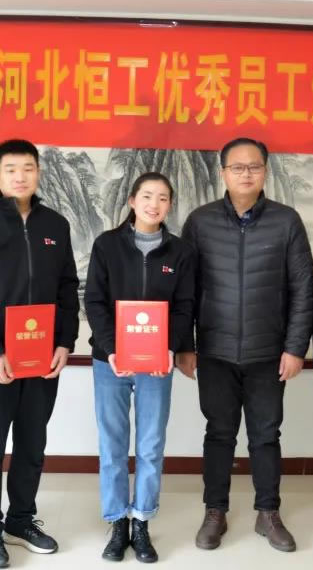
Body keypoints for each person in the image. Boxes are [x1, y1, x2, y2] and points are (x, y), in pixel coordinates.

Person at [180, 137, 313, 553]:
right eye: (237, 167)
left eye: (254, 166)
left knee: (266, 435)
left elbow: (303, 288)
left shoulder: (286, 221)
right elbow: (185, 290)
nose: (245, 173)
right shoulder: (200, 222)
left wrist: (295, 347)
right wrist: (185, 345)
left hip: (268, 353)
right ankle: (215, 512)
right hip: (215, 351)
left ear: (265, 172)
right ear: (223, 172)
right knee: (219, 434)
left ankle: (268, 512)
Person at [0, 139, 80, 568]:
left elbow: (67, 287)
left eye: (28, 168)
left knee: (32, 444)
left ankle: (20, 520)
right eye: (11, 169)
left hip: (42, 358)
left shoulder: (55, 225)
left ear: (38, 172)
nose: (20, 176)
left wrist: (65, 341)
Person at [84, 172, 197, 564]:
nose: (154, 204)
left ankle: (142, 520)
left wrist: (169, 347)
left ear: (169, 206)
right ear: (132, 201)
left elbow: (185, 307)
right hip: (110, 362)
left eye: (163, 198)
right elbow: (94, 301)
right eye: (147, 196)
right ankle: (117, 522)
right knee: (113, 444)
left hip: (157, 364)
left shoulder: (180, 253)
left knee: (150, 444)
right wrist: (112, 348)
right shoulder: (107, 245)